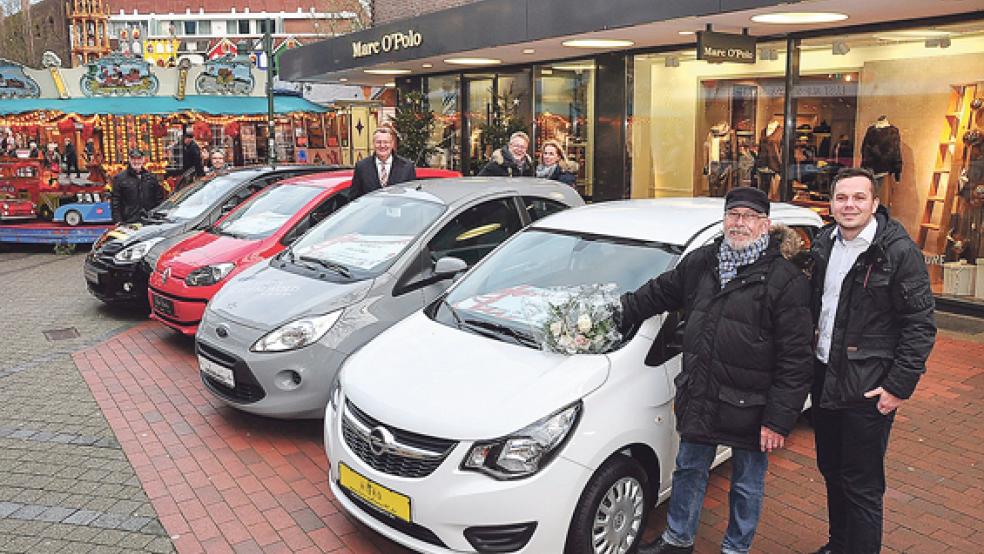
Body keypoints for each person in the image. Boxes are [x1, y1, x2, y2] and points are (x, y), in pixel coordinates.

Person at [619, 187, 814, 554]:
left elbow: (795, 358)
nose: (739, 223)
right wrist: (616, 313)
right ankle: (678, 540)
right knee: (689, 470)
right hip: (703, 391)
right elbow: (658, 292)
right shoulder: (702, 262)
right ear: (724, 220)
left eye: (749, 216)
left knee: (746, 483)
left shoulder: (785, 281)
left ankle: (736, 548)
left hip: (753, 405)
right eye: (733, 215)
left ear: (765, 224)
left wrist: (778, 419)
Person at [809, 168, 936, 554]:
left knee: (861, 484)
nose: (849, 205)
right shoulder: (823, 244)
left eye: (859, 198)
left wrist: (899, 386)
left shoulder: (897, 252)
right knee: (831, 471)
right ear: (831, 204)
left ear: (875, 204)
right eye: (842, 198)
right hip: (824, 375)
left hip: (869, 385)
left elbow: (920, 324)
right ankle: (839, 544)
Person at [350, 126, 416, 200]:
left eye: (386, 142)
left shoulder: (407, 167)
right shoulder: (362, 167)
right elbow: (354, 199)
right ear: (373, 144)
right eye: (378, 142)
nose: (382, 146)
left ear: (392, 144)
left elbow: (411, 198)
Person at [111, 148, 165, 224]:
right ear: (129, 159)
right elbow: (115, 202)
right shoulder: (120, 178)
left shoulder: (151, 177)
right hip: (129, 221)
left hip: (150, 221)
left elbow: (159, 200)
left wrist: (160, 216)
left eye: (139, 159)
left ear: (143, 160)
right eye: (133, 159)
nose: (136, 161)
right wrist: (118, 221)